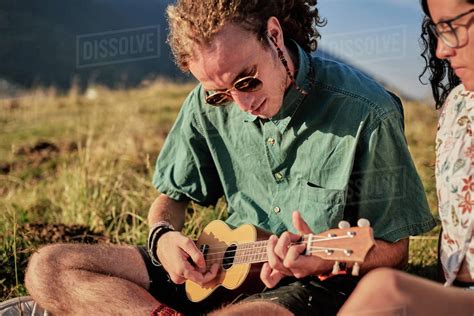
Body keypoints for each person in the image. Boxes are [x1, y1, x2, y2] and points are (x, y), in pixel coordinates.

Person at [21, 0, 436, 315]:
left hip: (309, 287)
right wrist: (163, 238)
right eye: (220, 94)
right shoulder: (204, 105)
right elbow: (170, 198)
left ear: (274, 36)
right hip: (216, 268)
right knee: (50, 267)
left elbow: (394, 249)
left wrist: (320, 258)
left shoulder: (367, 112)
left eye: (247, 80)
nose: (240, 104)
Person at [338, 0, 474, 315]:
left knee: (385, 291)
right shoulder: (457, 106)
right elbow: (455, 235)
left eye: (451, 27)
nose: (441, 50)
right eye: (437, 29)